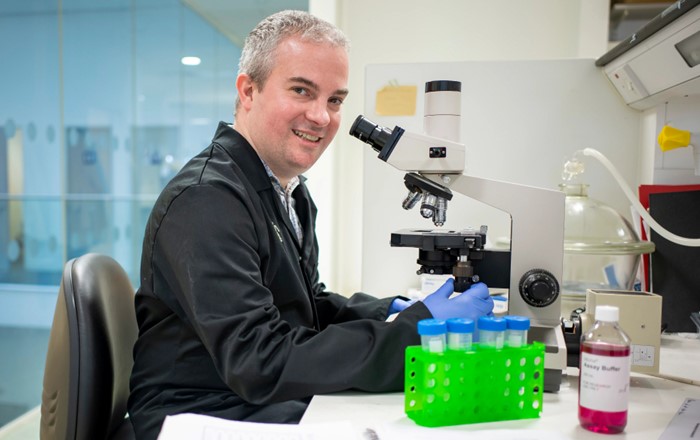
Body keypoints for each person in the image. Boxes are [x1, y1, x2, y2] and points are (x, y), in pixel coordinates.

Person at [127, 10, 494, 439]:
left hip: (249, 400)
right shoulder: (206, 200)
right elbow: (258, 359)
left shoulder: (288, 191)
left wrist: (389, 310)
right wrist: (416, 332)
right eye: (302, 91)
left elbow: (305, 306)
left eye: (335, 100)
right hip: (197, 415)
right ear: (248, 90)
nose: (321, 116)